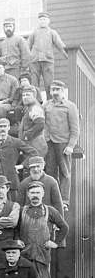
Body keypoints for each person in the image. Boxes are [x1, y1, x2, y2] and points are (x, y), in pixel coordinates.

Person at [16, 181, 69, 278]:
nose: (35, 195)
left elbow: (64, 227)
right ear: (28, 194)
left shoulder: (50, 211)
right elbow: (15, 229)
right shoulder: (22, 210)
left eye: (38, 192)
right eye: (32, 193)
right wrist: (17, 240)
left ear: (43, 194)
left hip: (42, 255)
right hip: (25, 254)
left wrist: (55, 243)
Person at [43, 80, 79, 209]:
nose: (54, 93)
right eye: (52, 90)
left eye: (57, 90)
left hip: (63, 143)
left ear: (63, 91)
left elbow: (75, 129)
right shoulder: (46, 105)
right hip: (49, 142)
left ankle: (64, 201)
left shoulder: (70, 106)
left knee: (65, 172)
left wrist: (70, 145)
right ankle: (53, 199)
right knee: (50, 171)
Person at [0, 118, 38, 201]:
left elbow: (33, 152)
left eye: (5, 126)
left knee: (13, 205)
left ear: (8, 127)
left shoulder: (16, 142)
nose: (2, 129)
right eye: (0, 126)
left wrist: (21, 166)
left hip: (10, 180)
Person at [28, 11, 68, 96]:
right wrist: (27, 61)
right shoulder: (33, 33)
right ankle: (36, 103)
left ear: (48, 21)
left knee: (49, 84)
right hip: (35, 61)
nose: (42, 21)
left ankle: (50, 103)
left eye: (44, 19)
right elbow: (27, 47)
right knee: (34, 84)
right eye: (40, 19)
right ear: (38, 21)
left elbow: (60, 45)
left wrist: (68, 56)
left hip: (47, 61)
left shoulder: (52, 32)